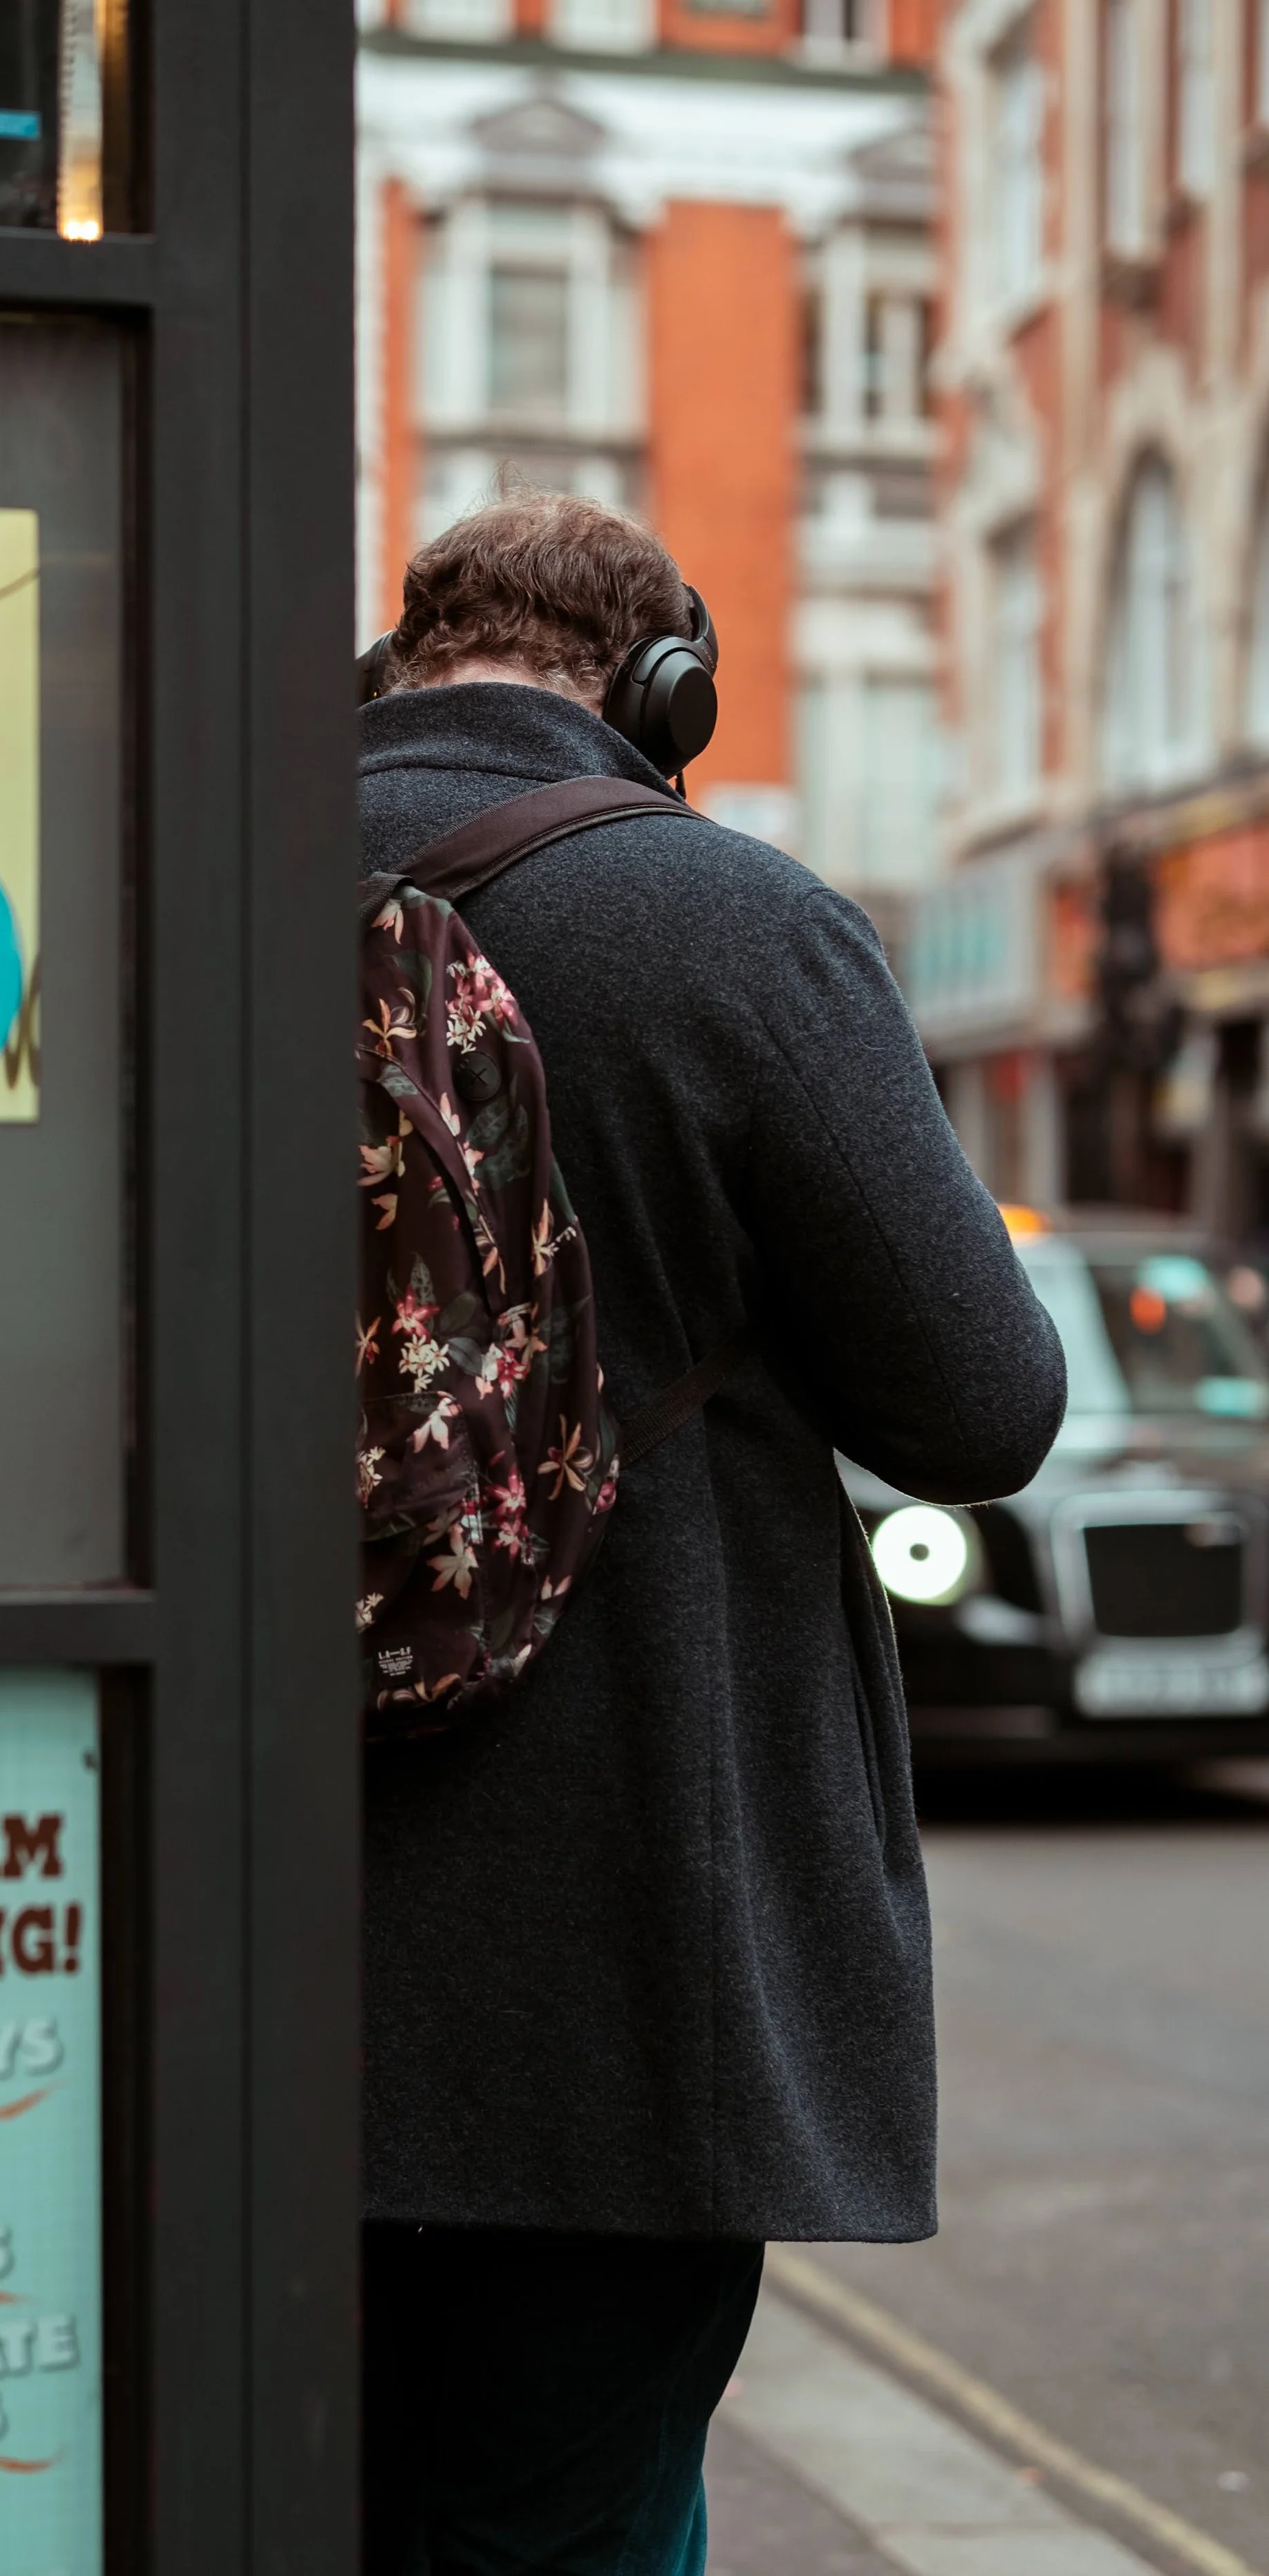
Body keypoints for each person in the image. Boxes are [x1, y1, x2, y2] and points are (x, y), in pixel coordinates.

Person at [357, 493, 1066, 2575]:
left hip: (215, 1910)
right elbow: (983, 1404)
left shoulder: (180, 879)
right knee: (561, 2511)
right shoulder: (728, 923)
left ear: (401, 661)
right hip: (616, 1933)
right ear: (665, 693)